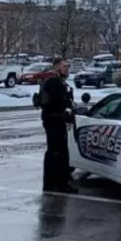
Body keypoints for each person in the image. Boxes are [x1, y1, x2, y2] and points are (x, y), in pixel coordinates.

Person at [38, 57, 78, 193]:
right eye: (65, 66)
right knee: (59, 152)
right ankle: (60, 184)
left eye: (68, 66)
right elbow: (59, 101)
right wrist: (67, 107)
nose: (67, 69)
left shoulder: (54, 81)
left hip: (53, 119)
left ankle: (52, 183)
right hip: (54, 120)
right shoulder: (54, 82)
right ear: (57, 68)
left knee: (55, 151)